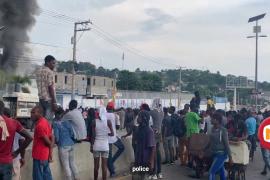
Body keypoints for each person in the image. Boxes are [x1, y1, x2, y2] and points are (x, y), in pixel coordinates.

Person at [0, 101, 32, 180]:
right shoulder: (14, 122)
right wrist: (17, 152)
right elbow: (29, 138)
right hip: (6, 162)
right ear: (3, 109)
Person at [53, 107, 79, 180]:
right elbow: (72, 134)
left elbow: (57, 138)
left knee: (66, 165)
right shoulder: (67, 122)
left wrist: (55, 142)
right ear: (62, 114)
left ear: (56, 114)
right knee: (72, 163)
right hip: (71, 144)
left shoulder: (56, 124)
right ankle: (77, 178)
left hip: (63, 146)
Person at [31, 106, 54, 180]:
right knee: (47, 176)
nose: (31, 115)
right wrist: (50, 152)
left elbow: (48, 142)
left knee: (38, 177)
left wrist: (51, 146)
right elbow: (52, 137)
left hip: (39, 156)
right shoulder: (45, 121)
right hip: (45, 155)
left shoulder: (39, 126)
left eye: (33, 112)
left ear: (40, 113)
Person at [91, 107, 114, 180]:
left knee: (96, 167)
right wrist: (106, 134)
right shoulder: (108, 121)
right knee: (104, 167)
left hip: (96, 146)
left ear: (98, 113)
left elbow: (93, 136)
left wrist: (91, 146)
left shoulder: (94, 121)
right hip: (105, 146)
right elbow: (112, 134)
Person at [133, 110, 156, 180]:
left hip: (146, 160)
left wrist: (151, 162)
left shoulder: (149, 131)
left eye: (139, 117)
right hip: (139, 159)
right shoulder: (139, 129)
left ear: (144, 118)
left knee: (143, 177)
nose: (137, 118)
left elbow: (153, 147)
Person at [209, 113, 233, 180]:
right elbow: (210, 142)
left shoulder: (223, 130)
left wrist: (230, 157)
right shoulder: (212, 129)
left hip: (221, 155)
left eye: (212, 119)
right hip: (214, 154)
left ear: (217, 120)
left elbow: (226, 144)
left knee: (211, 172)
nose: (211, 120)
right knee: (221, 172)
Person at [36, 55, 57, 122]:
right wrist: (54, 102)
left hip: (41, 99)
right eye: (53, 63)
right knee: (48, 121)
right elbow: (50, 87)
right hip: (48, 100)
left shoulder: (38, 71)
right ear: (47, 63)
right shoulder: (50, 72)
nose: (54, 65)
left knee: (41, 120)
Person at [106, 102, 125, 177]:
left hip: (106, 138)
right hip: (113, 137)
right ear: (113, 108)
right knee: (122, 147)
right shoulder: (115, 116)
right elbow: (117, 127)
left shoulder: (103, 115)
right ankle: (112, 166)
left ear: (107, 107)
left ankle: (112, 171)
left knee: (109, 156)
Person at [149, 98, 164, 179]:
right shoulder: (162, 112)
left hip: (153, 134)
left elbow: (150, 124)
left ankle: (153, 173)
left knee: (153, 153)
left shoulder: (151, 112)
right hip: (159, 134)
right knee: (158, 153)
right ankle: (159, 172)